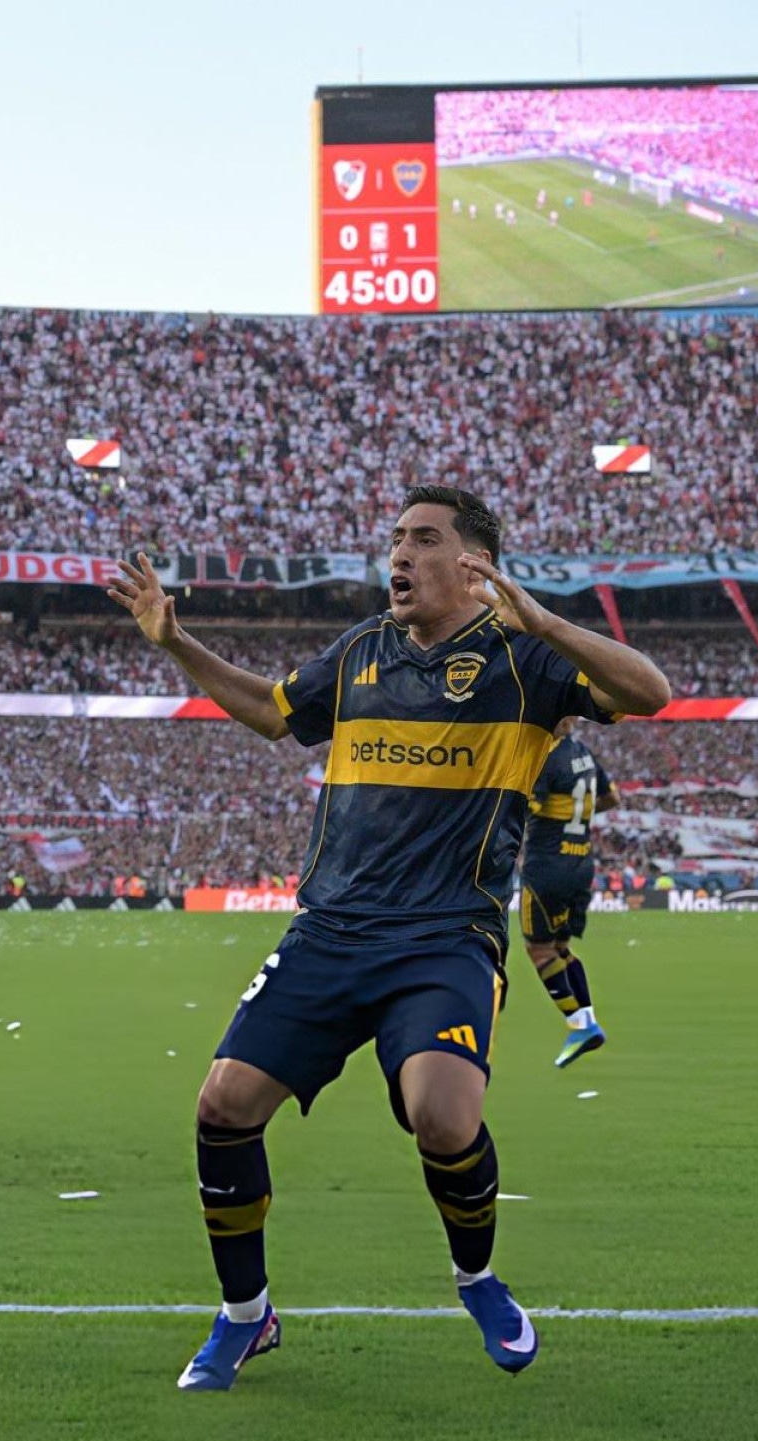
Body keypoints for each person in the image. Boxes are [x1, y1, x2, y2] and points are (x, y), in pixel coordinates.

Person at [107, 484, 670, 1391]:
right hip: (331, 929)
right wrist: (174, 641)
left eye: (422, 540)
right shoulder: (362, 649)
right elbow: (270, 712)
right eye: (396, 538)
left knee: (441, 1116)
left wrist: (541, 619)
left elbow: (649, 692)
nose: (399, 555)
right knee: (222, 1106)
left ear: (473, 564)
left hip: (446, 935)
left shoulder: (525, 659)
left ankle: (477, 1280)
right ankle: (246, 1316)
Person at [520, 718, 620, 1067]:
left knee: (539, 950)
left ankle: (579, 1025)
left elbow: (526, 808)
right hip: (580, 863)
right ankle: (587, 1020)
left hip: (548, 866)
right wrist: (574, 816)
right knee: (560, 947)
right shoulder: (583, 753)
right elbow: (612, 797)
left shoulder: (544, 754)